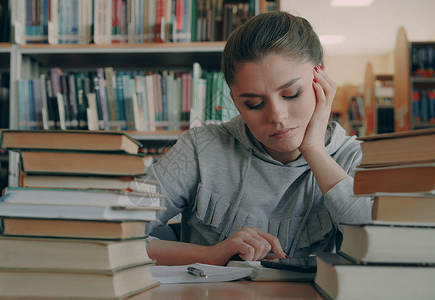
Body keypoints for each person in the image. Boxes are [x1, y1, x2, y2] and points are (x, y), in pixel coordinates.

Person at [145, 11, 372, 266]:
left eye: (292, 94)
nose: (277, 116)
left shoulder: (353, 157)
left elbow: (379, 243)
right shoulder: (199, 148)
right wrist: (207, 255)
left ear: (321, 80)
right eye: (253, 104)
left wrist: (315, 150)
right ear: (235, 102)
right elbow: (115, 229)